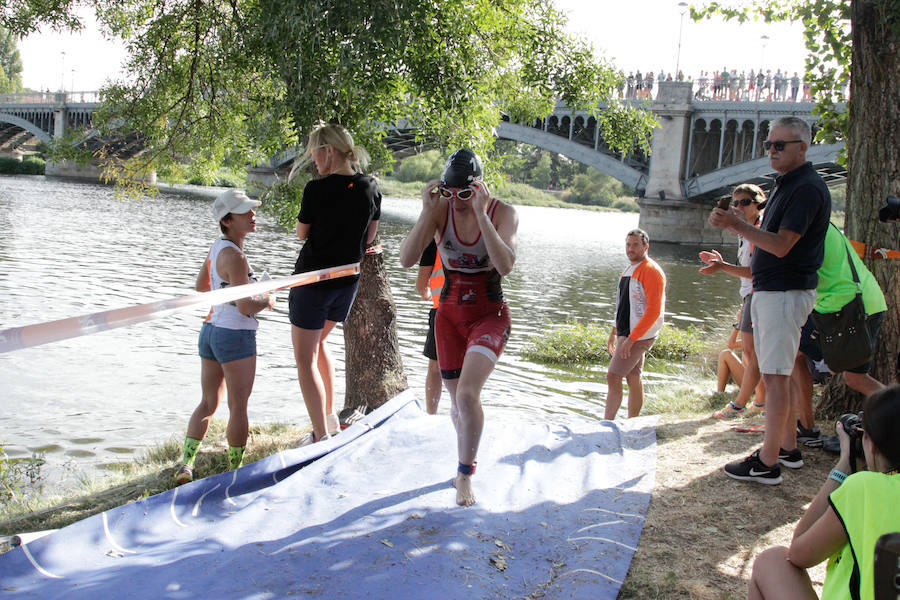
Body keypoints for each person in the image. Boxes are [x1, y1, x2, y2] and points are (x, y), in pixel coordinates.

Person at [709, 116, 830, 485]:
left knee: (775, 380)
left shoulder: (805, 188)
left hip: (783, 294)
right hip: (772, 292)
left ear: (803, 147)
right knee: (782, 376)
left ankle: (767, 462)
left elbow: (781, 246)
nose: (772, 151)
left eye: (780, 145)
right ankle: (788, 449)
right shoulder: (786, 185)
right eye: (768, 145)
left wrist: (735, 225)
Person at [398, 148, 518, 507]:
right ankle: (465, 456)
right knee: (456, 402)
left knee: (467, 395)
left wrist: (481, 214)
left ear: (479, 188)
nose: (457, 201)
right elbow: (406, 259)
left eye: (465, 193)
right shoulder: (440, 210)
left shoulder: (503, 213)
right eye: (449, 193)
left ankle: (465, 474)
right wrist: (426, 212)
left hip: (489, 315)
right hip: (448, 316)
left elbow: (505, 265)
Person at [747, 385, 900, 600]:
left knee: (772, 561)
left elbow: (798, 553)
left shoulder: (865, 488)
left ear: (871, 444)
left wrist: (844, 465)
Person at [176, 189, 276, 485]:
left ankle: (186, 465)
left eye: (251, 209)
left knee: (208, 403)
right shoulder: (236, 256)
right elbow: (246, 308)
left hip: (210, 331)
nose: (253, 214)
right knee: (238, 407)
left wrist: (231, 292)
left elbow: (202, 286)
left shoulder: (218, 247)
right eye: (245, 211)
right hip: (235, 335)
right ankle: (235, 472)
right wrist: (267, 298)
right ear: (227, 220)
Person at [289, 123, 380, 443]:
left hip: (312, 282)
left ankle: (320, 436)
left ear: (328, 151)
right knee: (320, 344)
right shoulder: (371, 187)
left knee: (304, 360)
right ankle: (329, 420)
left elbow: (301, 233)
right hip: (346, 283)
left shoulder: (316, 189)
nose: (313, 160)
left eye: (315, 152)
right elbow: (369, 237)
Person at [792, 223, 887, 447]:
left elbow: (793, 275)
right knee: (799, 354)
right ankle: (806, 426)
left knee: (854, 378)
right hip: (855, 302)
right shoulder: (820, 221)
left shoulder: (802, 226)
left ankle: (807, 426)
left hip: (852, 309)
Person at [699, 184, 767, 419]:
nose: (738, 207)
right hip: (749, 295)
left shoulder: (759, 231)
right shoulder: (744, 233)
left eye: (744, 202)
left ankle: (744, 404)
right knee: (749, 353)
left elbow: (754, 272)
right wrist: (720, 262)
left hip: (758, 294)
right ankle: (759, 401)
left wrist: (722, 267)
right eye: (735, 203)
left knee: (752, 352)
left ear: (758, 203)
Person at [606, 229, 666, 420]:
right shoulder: (629, 270)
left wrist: (631, 340)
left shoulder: (651, 270)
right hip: (627, 332)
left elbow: (654, 311)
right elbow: (622, 305)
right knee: (633, 377)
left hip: (639, 335)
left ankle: (606, 423)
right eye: (628, 244)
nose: (630, 249)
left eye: (636, 245)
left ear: (646, 247)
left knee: (613, 376)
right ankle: (632, 422)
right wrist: (614, 331)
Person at [416, 240, 444, 414]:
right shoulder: (478, 236)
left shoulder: (435, 242)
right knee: (466, 368)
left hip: (442, 311)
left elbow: (421, 286)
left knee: (435, 367)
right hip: (471, 312)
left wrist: (427, 294)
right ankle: (463, 413)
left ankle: (431, 414)